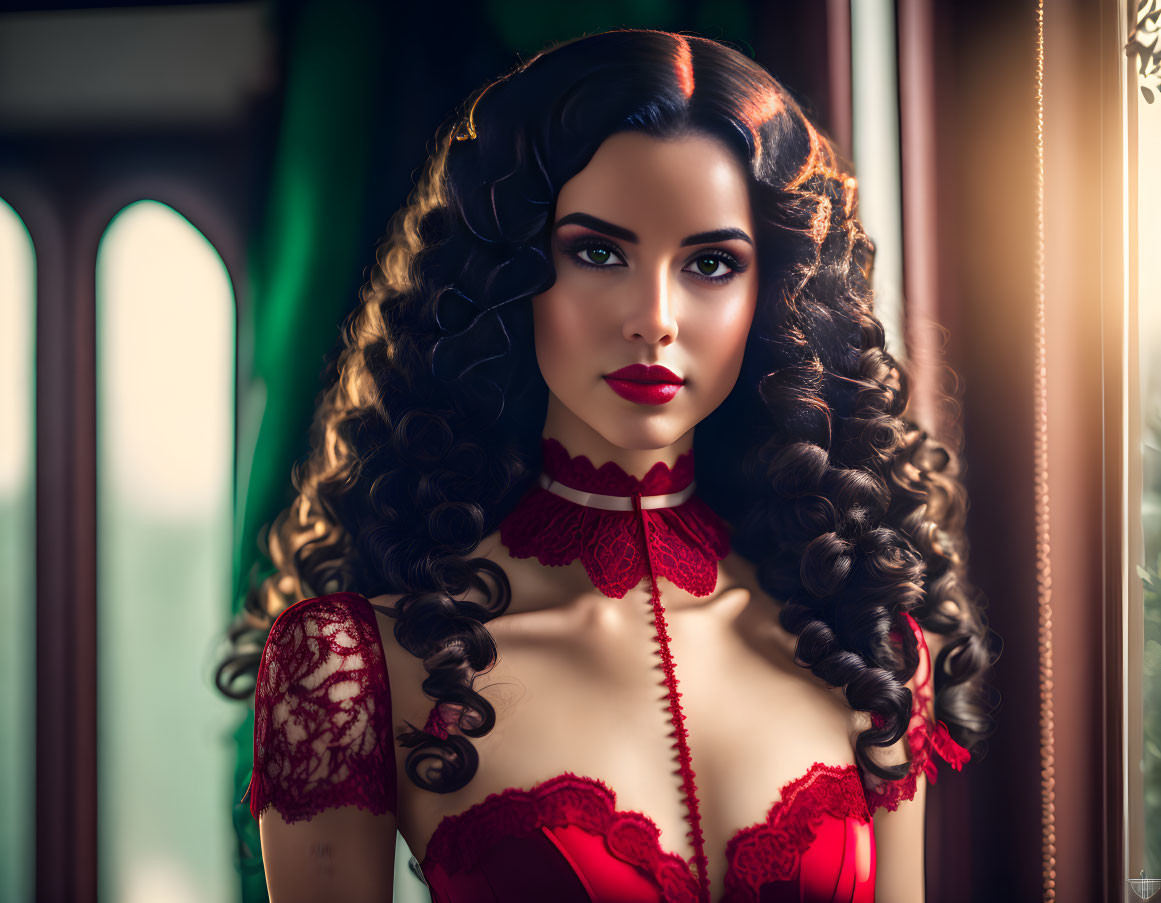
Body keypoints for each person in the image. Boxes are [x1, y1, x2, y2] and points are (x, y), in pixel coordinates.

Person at [225, 27, 997, 903]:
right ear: (513, 273)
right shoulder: (348, 665)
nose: (654, 317)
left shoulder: (869, 640)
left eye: (710, 263)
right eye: (597, 251)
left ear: (770, 293)